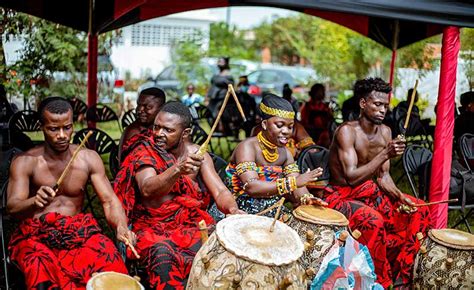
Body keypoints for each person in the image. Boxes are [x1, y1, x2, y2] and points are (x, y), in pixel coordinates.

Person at [7, 97, 135, 289]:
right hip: (35, 236)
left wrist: (121, 226)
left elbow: (109, 201)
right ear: (42, 127)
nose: (62, 135)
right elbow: (12, 207)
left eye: (67, 127)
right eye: (53, 129)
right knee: (40, 273)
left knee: (111, 267)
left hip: (79, 232)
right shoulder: (25, 161)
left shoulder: (88, 158)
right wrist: (34, 201)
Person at [114, 101, 244, 289]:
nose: (158, 134)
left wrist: (232, 209)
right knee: (163, 257)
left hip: (192, 223)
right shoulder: (144, 150)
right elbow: (147, 188)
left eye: (168, 130)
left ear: (185, 134)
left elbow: (220, 190)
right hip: (153, 227)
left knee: (223, 254)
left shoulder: (197, 154)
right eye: (156, 127)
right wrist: (177, 170)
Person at [324, 78, 430, 288]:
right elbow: (351, 178)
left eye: (385, 105)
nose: (383, 110)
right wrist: (385, 153)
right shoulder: (347, 131)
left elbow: (384, 177)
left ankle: (403, 276)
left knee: (419, 209)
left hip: (369, 191)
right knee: (374, 221)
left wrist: (400, 196)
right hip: (340, 195)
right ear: (363, 104)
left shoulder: (386, 132)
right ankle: (375, 280)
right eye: (377, 104)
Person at [227, 94, 326, 216]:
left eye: (290, 127)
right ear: (264, 124)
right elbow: (251, 187)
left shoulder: (285, 153)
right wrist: (293, 182)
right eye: (279, 125)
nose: (286, 131)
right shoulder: (247, 147)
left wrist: (306, 198)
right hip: (240, 208)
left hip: (272, 208)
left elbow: (296, 182)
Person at [118, 87, 166, 161]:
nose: (140, 110)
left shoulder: (159, 128)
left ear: (161, 108)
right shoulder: (135, 131)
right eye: (138, 105)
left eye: (148, 107)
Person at [300, 83, 333, 147]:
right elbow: (304, 122)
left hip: (323, 134)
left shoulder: (325, 106)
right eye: (320, 91)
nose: (322, 93)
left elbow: (330, 121)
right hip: (310, 133)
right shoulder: (307, 106)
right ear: (314, 92)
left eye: (323, 91)